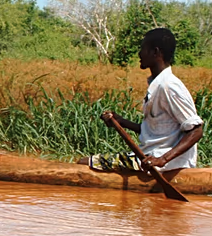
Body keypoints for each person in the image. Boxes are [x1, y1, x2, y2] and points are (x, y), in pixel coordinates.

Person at [80, 28, 205, 173]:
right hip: (148, 157)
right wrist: (122, 122)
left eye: (143, 48)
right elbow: (155, 131)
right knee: (85, 162)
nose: (139, 53)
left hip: (161, 163)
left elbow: (196, 131)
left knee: (83, 164)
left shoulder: (169, 86)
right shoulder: (158, 84)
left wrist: (162, 160)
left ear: (155, 52)